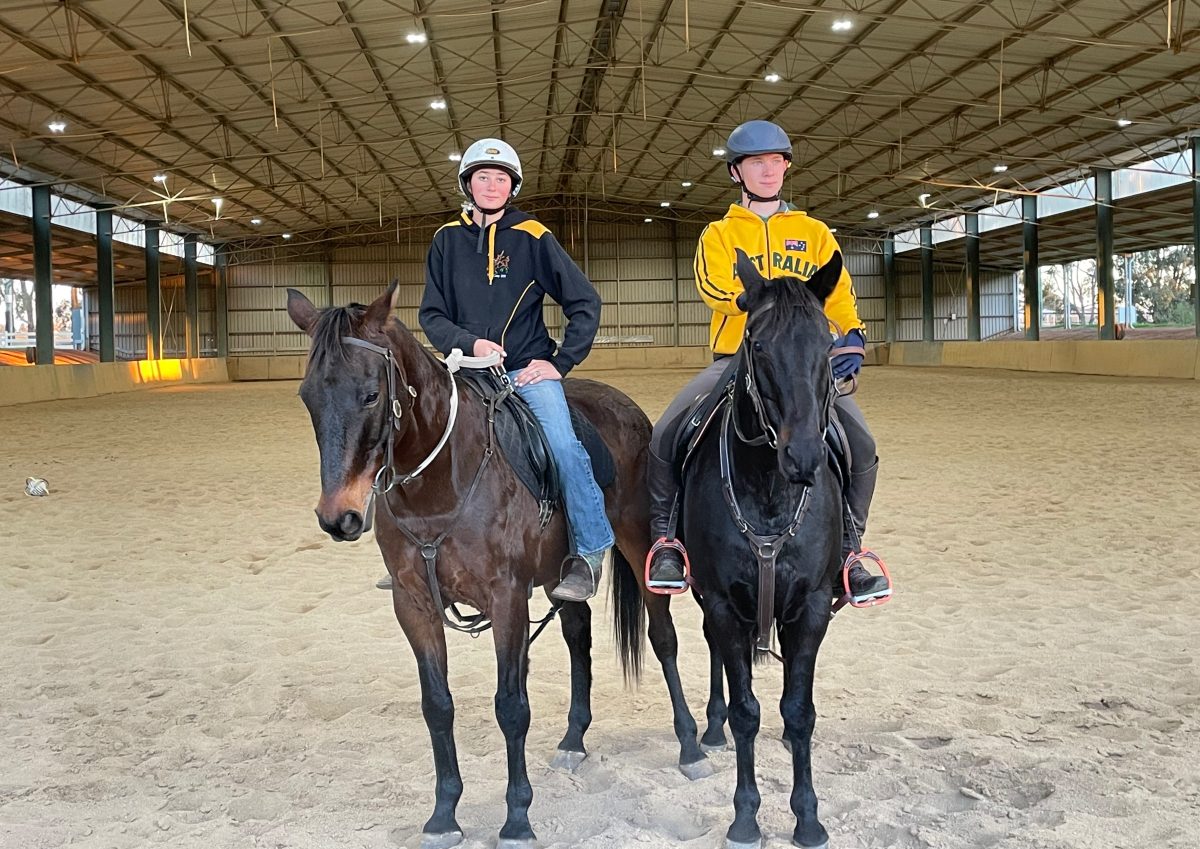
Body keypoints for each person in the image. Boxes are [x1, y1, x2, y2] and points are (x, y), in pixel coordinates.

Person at [644, 120, 891, 604]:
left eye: (776, 162)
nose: (768, 171)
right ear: (737, 172)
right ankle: (668, 541)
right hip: (737, 356)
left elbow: (837, 292)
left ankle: (849, 549)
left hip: (801, 361)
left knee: (860, 442)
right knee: (667, 431)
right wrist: (753, 302)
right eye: (757, 163)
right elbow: (712, 287)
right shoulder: (718, 233)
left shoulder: (814, 232)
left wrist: (852, 338)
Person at [415, 137, 614, 603]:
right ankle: (419, 549)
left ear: (512, 187)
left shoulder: (533, 237)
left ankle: (589, 551)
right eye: (482, 177)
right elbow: (431, 315)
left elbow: (585, 302)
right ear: (468, 184)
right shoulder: (446, 240)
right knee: (417, 440)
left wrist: (559, 363)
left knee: (564, 446)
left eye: (500, 178)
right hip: (464, 370)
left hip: (525, 371)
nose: (491, 185)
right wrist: (467, 343)